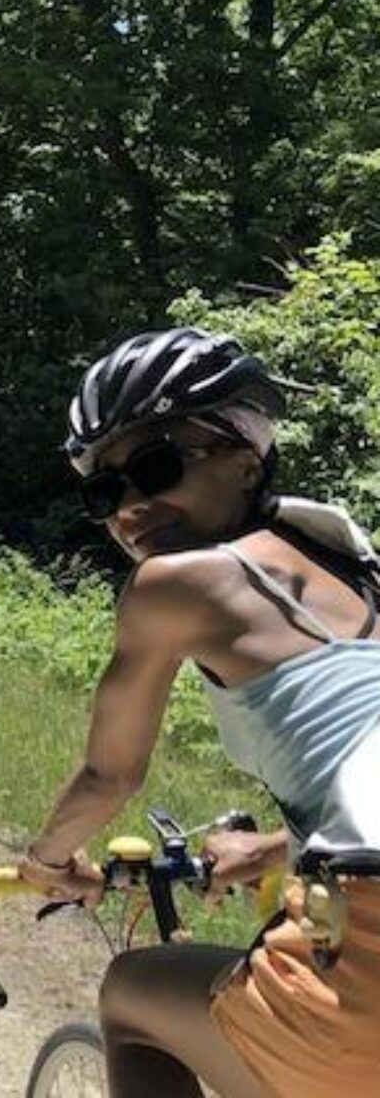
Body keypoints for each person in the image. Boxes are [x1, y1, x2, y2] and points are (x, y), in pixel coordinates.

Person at [20, 327, 380, 1096]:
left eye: (156, 466)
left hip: (359, 984)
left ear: (246, 459)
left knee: (132, 992)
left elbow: (108, 775)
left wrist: (46, 862)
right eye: (104, 491)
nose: (131, 506)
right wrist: (279, 846)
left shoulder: (173, 586)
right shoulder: (354, 571)